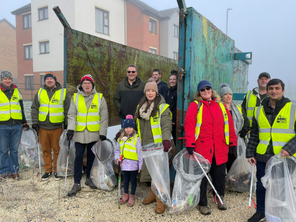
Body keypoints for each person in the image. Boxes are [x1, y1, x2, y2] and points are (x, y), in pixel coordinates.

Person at [184, 80, 237, 215]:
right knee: (202, 178)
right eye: (203, 90)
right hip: (202, 148)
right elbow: (189, 125)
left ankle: (219, 197)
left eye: (208, 89)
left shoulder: (221, 106)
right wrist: (189, 143)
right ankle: (202, 203)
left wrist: (232, 142)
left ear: (212, 90)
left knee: (219, 175)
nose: (206, 91)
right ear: (199, 93)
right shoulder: (194, 106)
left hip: (220, 148)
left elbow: (229, 125)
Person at [246, 78, 296, 222]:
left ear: (283, 90)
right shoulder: (259, 110)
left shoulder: (293, 108)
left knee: (282, 187)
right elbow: (254, 133)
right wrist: (250, 153)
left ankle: (279, 213)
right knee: (262, 186)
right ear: (267, 91)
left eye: (277, 88)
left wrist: (289, 149)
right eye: (271, 88)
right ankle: (261, 212)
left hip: (285, 157)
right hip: (263, 156)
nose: (274, 91)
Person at [67, 74, 108, 197]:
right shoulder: (75, 98)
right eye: (84, 83)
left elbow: (104, 118)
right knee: (78, 157)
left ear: (92, 85)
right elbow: (71, 115)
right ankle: (76, 182)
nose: (87, 85)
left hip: (94, 133)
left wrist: (102, 133)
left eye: (89, 83)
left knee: (91, 157)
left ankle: (89, 178)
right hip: (79, 133)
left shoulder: (100, 97)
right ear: (81, 85)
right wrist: (70, 129)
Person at [135, 78, 172, 214]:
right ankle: (152, 194)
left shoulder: (162, 107)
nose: (150, 93)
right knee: (148, 173)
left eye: (153, 90)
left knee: (158, 174)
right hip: (145, 146)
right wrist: (122, 133)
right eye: (148, 90)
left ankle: (160, 200)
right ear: (145, 92)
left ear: (156, 92)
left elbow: (166, 125)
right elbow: (134, 124)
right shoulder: (140, 107)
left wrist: (166, 139)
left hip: (157, 147)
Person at [31, 71, 71, 181]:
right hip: (43, 127)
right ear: (45, 81)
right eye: (47, 79)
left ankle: (57, 170)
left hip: (57, 127)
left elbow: (67, 109)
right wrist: (34, 122)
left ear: (55, 80)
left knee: (57, 150)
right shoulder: (40, 92)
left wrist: (67, 124)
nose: (49, 80)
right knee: (45, 150)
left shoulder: (63, 92)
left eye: (51, 79)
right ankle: (48, 171)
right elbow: (34, 108)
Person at [0, 70, 29, 180]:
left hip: (16, 126)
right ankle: (3, 172)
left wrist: (24, 123)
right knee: (3, 150)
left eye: (9, 78)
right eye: (5, 78)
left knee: (14, 150)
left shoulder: (17, 91)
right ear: (2, 80)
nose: (8, 80)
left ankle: (14, 171)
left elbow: (21, 108)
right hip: (2, 126)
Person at [219, 83, 249, 172]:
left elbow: (246, 121)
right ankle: (223, 181)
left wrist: (245, 130)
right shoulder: (218, 108)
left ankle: (232, 181)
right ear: (221, 96)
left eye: (230, 94)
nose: (228, 96)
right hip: (222, 141)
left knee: (234, 163)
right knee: (222, 163)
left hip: (236, 140)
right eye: (225, 94)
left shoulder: (238, 107)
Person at [115, 114, 143, 207]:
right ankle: (125, 194)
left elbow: (140, 152)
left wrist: (140, 165)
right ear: (124, 128)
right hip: (124, 164)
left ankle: (132, 196)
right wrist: (117, 159)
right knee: (125, 180)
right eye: (126, 127)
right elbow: (118, 150)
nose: (128, 129)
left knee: (133, 181)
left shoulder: (136, 138)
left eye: (130, 127)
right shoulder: (121, 139)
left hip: (134, 164)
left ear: (133, 128)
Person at [167, 70, 178, 145]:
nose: (172, 81)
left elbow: (176, 107)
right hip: (169, 119)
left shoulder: (178, 91)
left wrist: (174, 119)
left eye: (174, 79)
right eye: (170, 79)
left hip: (174, 121)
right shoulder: (170, 91)